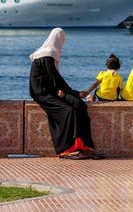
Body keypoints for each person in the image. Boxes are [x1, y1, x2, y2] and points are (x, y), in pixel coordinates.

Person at [29, 28, 100, 159]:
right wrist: (74, 92)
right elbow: (55, 78)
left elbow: (54, 78)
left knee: (80, 105)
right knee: (67, 111)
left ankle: (84, 146)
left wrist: (73, 95)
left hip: (52, 90)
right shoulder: (47, 53)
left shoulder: (51, 53)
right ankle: (66, 149)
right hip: (41, 93)